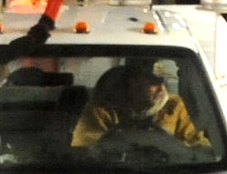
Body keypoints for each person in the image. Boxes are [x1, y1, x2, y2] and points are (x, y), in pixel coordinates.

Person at [71, 63, 209, 148]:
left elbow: (199, 146)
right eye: (154, 82)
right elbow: (86, 151)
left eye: (163, 81)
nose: (162, 87)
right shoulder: (102, 111)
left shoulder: (174, 106)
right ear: (133, 83)